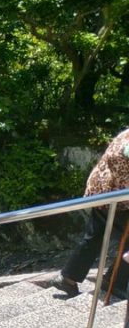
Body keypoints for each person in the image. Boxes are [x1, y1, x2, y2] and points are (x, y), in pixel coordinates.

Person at [52, 128, 129, 299]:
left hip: (104, 190)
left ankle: (68, 278)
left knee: (95, 234)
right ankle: (114, 282)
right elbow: (124, 156)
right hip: (114, 194)